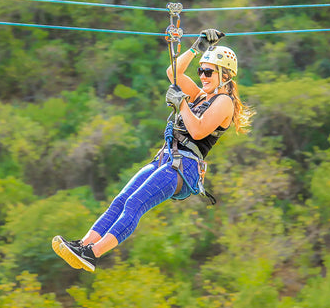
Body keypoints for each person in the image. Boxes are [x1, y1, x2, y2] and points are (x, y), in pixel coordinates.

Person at [52, 29, 253, 272]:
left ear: (225, 75)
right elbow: (173, 73)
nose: (202, 76)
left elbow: (198, 131)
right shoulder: (200, 96)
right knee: (120, 201)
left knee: (135, 203)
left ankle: (93, 254)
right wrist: (196, 48)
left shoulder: (224, 102)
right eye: (201, 71)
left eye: (208, 71)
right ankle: (83, 245)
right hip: (165, 157)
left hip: (184, 166)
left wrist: (181, 105)